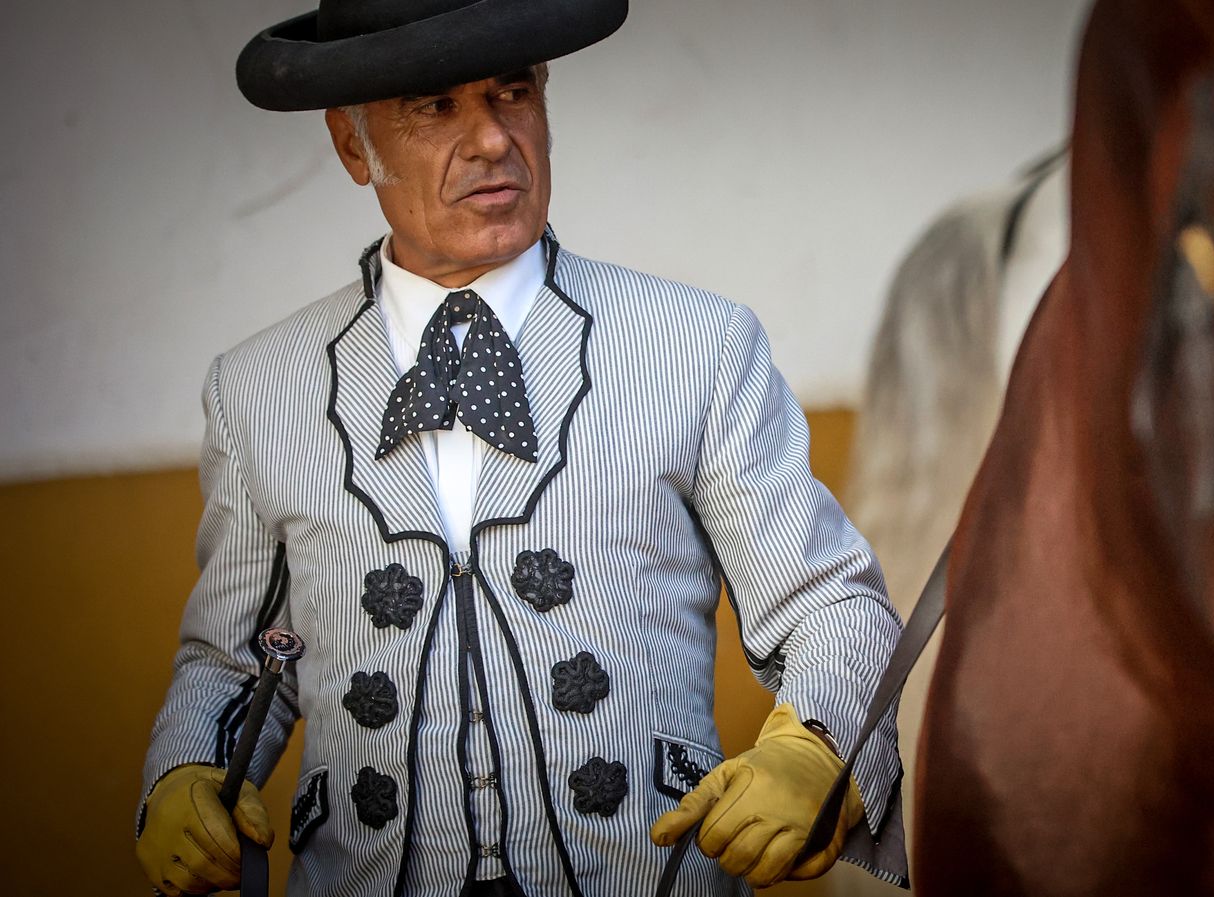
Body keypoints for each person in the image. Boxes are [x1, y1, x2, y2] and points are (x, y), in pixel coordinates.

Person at [134, 2, 906, 895]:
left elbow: (826, 601)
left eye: (513, 93)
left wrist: (817, 746)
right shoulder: (257, 389)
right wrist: (183, 774)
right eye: (434, 107)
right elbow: (234, 657)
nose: (493, 139)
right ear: (353, 145)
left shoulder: (698, 346)